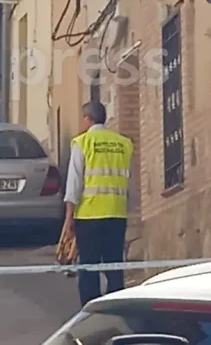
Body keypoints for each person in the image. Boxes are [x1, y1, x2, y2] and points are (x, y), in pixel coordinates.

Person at [62, 101, 134, 307]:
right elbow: (131, 182)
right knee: (114, 267)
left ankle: (90, 310)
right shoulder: (123, 143)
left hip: (89, 215)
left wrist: (69, 218)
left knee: (88, 269)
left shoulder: (82, 142)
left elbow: (74, 183)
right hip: (117, 214)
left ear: (87, 119)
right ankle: (117, 308)